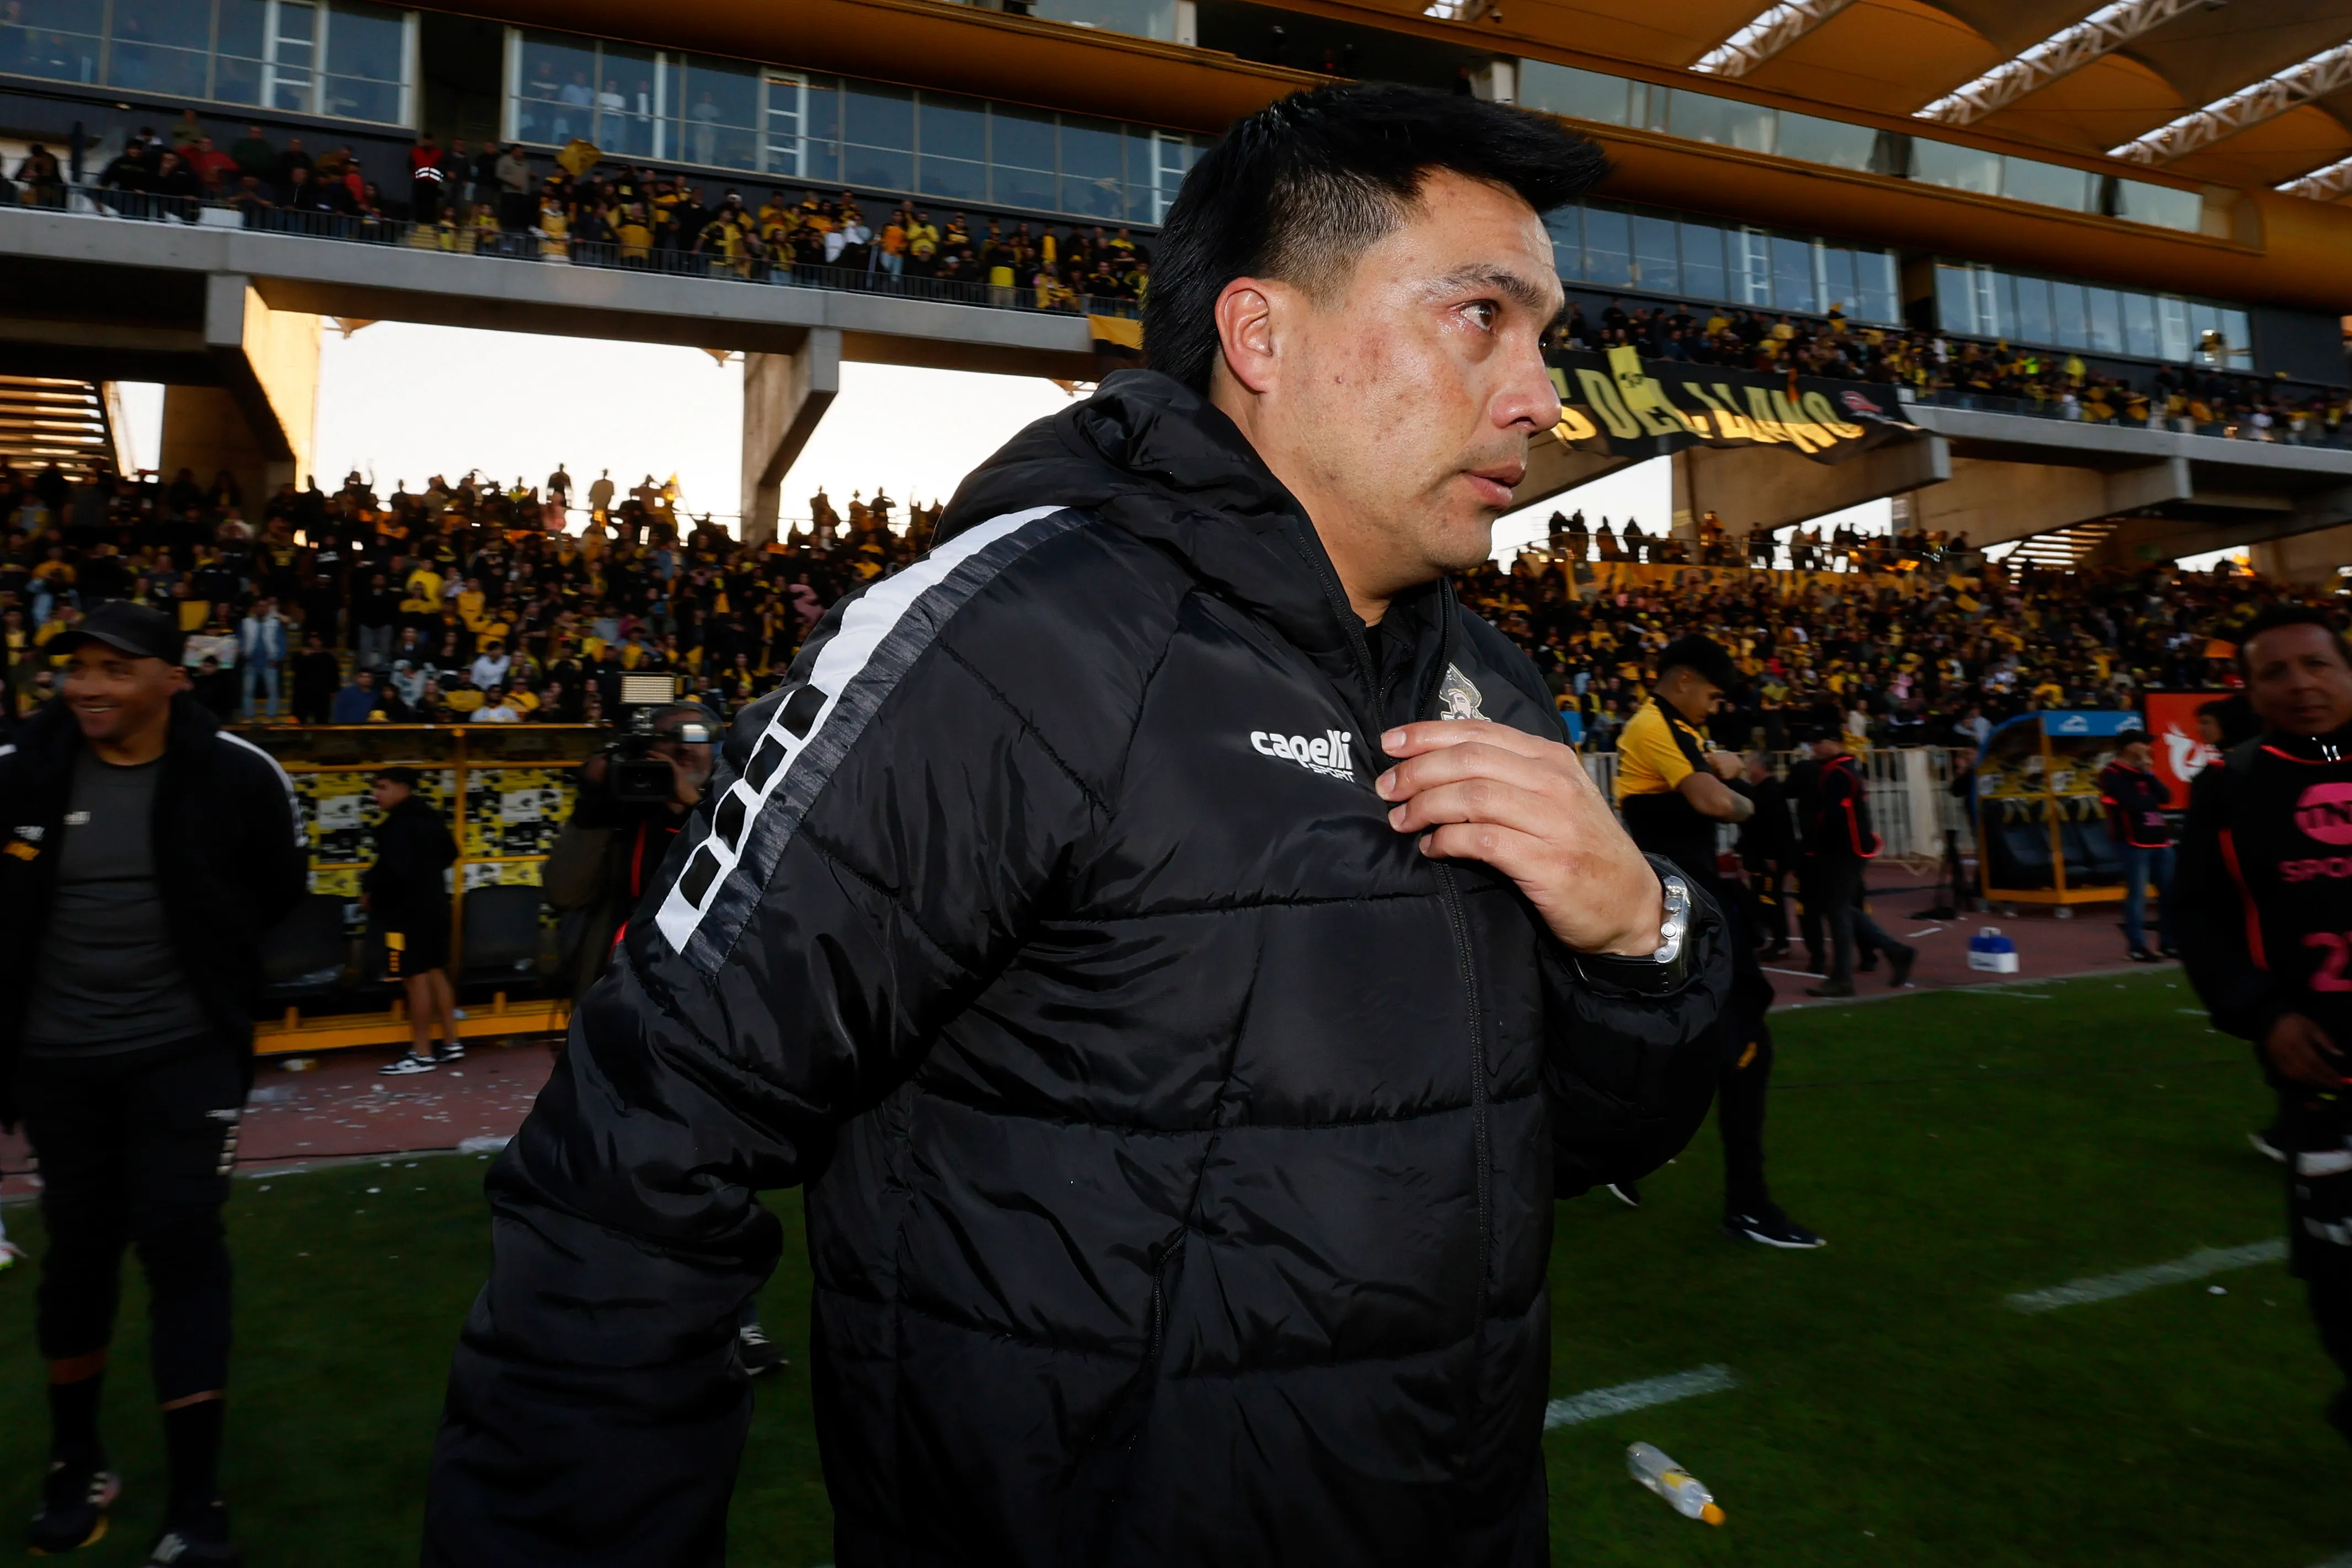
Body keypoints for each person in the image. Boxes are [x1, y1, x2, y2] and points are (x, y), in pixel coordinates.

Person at [425, 82, 1729, 1565]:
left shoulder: (1490, 681)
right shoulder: (1012, 642)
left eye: (1547, 336)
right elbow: (639, 1154)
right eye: (1481, 316)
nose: (1543, 397)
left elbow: (1575, 1144)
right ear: (1261, 335)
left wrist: (1645, 935)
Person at [0, 600, 306, 1564]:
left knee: (183, 1243)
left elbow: (278, 889)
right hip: (57, 1061)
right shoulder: (21, 765)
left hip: (183, 1053)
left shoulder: (236, 772)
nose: (87, 686)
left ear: (173, 679)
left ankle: (194, 1497)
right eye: (78, 666)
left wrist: (211, 986)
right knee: (79, 1254)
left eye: (114, 667)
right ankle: (75, 1460)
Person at [2175, 606, 2352, 1444]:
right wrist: (2264, 1013)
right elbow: (2199, 919)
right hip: (2323, 1073)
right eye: (2275, 672)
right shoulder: (2232, 785)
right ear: (2250, 691)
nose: (2300, 684)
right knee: (2340, 1273)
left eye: (2317, 664)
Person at [1610, 635, 1819, 1247]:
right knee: (1745, 1044)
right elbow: (1711, 799)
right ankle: (1747, 1206)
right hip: (1690, 912)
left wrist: (1721, 761)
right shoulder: (1654, 725)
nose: (1714, 704)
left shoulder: (1675, 728)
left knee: (1680, 1042)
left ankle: (1616, 1149)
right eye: (1711, 693)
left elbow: (1709, 765)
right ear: (1682, 680)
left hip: (1686, 907)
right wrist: (1754, 805)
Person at [1799, 724, 1916, 999]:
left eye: (1819, 741)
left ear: (1835, 742)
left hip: (1841, 852)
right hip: (1845, 851)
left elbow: (1830, 817)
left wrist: (1814, 846)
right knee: (1839, 908)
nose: (1814, 747)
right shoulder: (1843, 769)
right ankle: (1893, 951)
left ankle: (1843, 977)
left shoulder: (1839, 773)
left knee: (1838, 912)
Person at [367, 767, 462, 1075]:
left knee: (412, 977)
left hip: (403, 916)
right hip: (434, 908)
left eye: (382, 787)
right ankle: (451, 1042)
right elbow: (451, 853)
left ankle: (421, 1053)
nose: (376, 795)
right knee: (435, 970)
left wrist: (372, 892)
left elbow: (395, 872)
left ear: (402, 788)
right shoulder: (430, 818)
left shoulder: (398, 826)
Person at [2096, 727, 2174, 962]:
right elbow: (2133, 803)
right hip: (2133, 842)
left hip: (2160, 839)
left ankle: (2169, 943)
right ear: (2129, 746)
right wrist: (2148, 798)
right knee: (2138, 895)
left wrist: (2149, 774)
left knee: (2170, 894)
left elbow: (2165, 797)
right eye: (2143, 743)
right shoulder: (2112, 774)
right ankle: (2137, 946)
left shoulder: (2145, 772)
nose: (2148, 748)